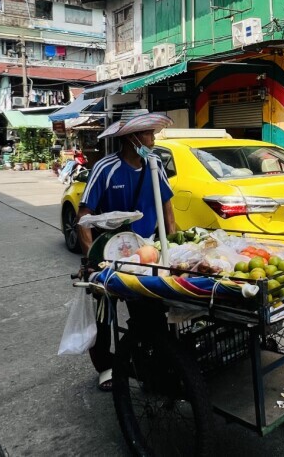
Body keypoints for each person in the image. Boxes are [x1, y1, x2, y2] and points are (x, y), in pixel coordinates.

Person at [76, 109, 176, 391]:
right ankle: (105, 367)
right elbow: (83, 218)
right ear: (131, 138)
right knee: (103, 316)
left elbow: (167, 210)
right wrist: (93, 262)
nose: (153, 139)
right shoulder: (105, 168)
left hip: (146, 252)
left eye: (153, 132)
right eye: (147, 133)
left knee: (151, 307)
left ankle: (147, 355)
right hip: (110, 253)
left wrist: (175, 246)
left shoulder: (155, 163)